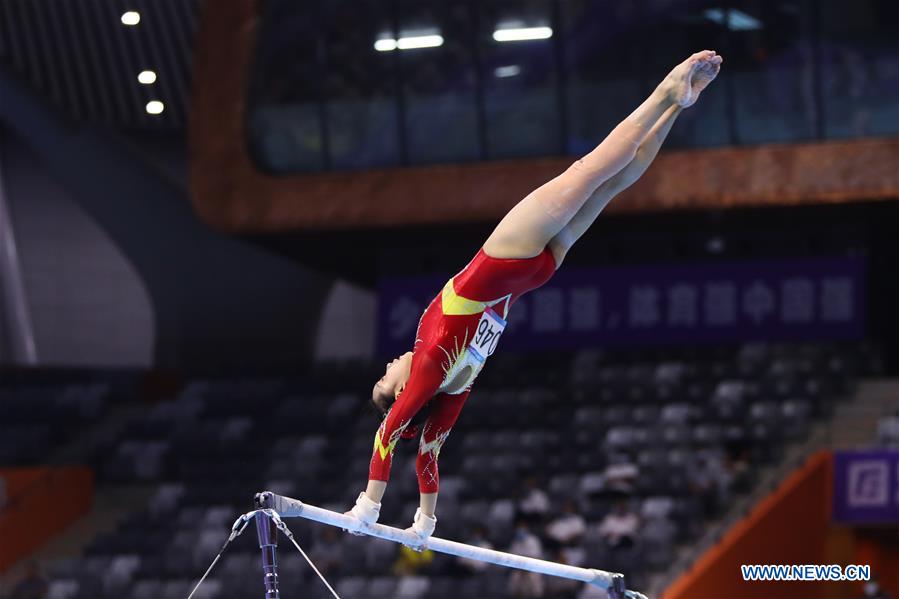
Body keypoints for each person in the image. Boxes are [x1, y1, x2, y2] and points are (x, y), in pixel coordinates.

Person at [346, 50, 724, 542]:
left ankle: (678, 108)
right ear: (399, 392)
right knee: (590, 171)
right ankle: (666, 93)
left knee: (608, 189)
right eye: (385, 375)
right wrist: (367, 508)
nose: (390, 361)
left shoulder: (450, 391)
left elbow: (427, 455)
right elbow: (388, 436)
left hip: (533, 274)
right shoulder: (425, 372)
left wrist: (425, 523)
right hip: (502, 260)